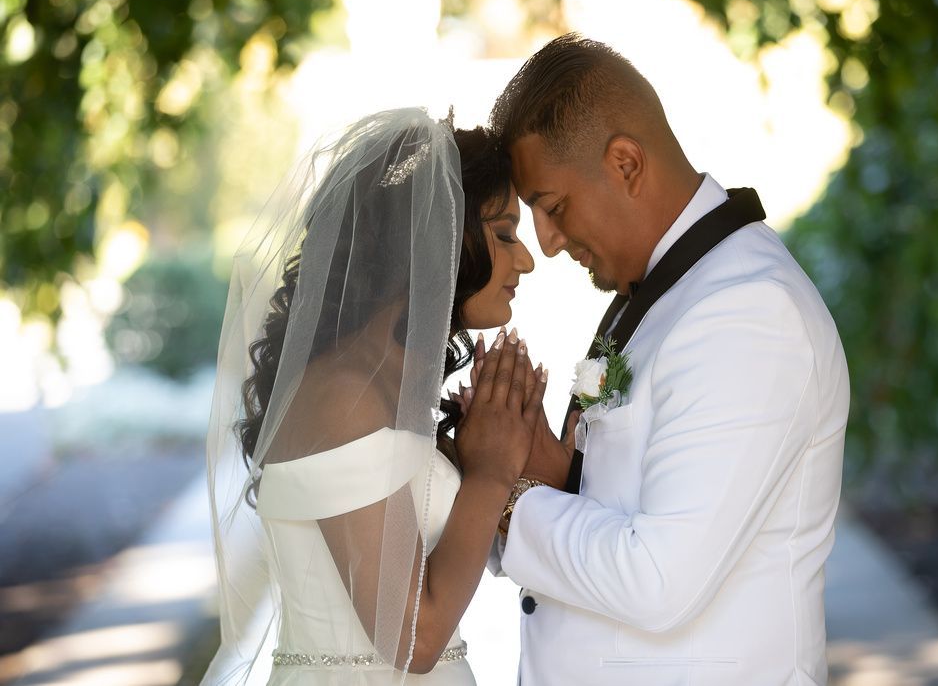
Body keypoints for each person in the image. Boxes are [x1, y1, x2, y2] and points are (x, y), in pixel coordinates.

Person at [483, 35, 851, 684]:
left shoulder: (749, 313)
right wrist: (558, 468)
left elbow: (659, 578)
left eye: (554, 207)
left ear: (625, 163)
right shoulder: (659, 294)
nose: (545, 242)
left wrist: (512, 498)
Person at [202, 109, 543, 685]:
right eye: (505, 233)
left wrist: (495, 447)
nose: (527, 260)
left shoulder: (381, 384)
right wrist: (488, 472)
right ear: (439, 234)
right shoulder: (346, 396)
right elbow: (413, 639)